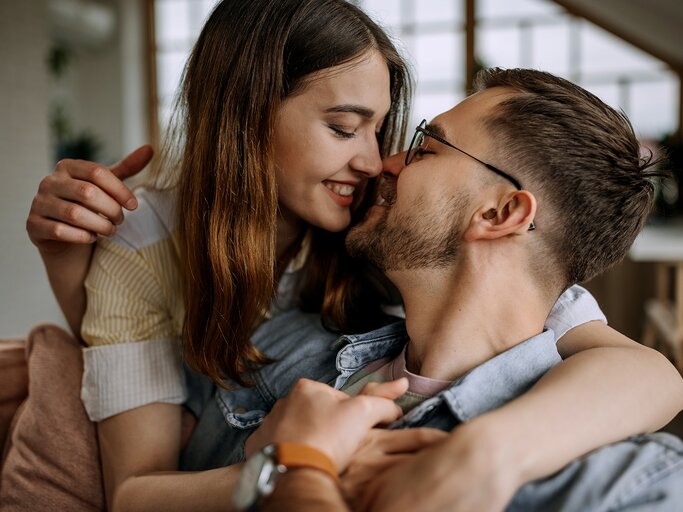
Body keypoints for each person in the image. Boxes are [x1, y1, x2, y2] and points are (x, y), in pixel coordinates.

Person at [24, 0, 682, 508]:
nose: (376, 162)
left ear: (500, 213)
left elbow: (644, 370)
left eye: (414, 143)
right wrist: (284, 464)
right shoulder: (278, 345)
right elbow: (138, 487)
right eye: (343, 128)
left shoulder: (612, 474)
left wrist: (484, 455)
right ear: (249, 114)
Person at [242, 68, 683, 511]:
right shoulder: (278, 350)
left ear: (499, 213)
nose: (385, 164)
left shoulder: (623, 488)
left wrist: (297, 468)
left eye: (427, 148)